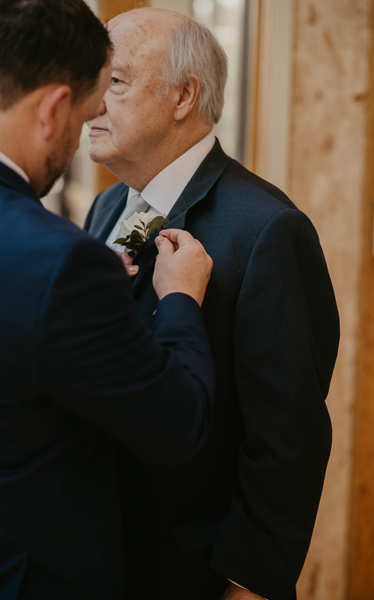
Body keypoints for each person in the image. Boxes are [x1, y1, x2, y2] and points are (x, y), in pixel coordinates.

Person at [84, 8, 340, 600]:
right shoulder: (107, 211)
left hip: (189, 571)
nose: (92, 101)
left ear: (183, 96)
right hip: (99, 555)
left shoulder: (268, 229)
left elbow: (287, 442)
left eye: (114, 82)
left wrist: (247, 585)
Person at [0, 1, 217, 598]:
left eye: (118, 84)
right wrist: (180, 301)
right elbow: (177, 423)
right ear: (55, 108)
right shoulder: (61, 249)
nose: (95, 119)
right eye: (93, 98)